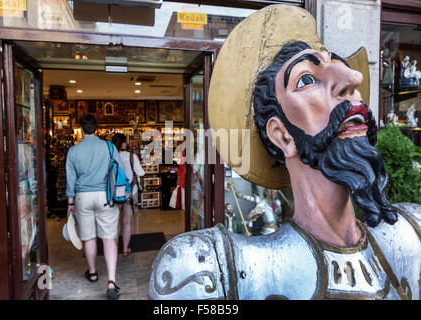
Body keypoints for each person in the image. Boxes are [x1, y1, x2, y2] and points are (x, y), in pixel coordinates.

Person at [148, 5, 420, 300]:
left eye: (340, 65)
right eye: (306, 79)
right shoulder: (211, 269)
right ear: (282, 135)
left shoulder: (411, 234)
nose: (353, 79)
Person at [66, 114, 122, 300]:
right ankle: (112, 281)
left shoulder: (74, 151)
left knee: (89, 238)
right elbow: (118, 170)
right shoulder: (108, 147)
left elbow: (71, 180)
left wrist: (70, 203)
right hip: (105, 195)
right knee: (109, 238)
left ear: (81, 129)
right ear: (97, 128)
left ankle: (92, 272)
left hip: (82, 197)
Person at [111, 133, 145, 257]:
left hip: (115, 194)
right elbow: (141, 172)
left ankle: (113, 250)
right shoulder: (132, 156)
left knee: (114, 224)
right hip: (129, 193)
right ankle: (125, 249)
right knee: (127, 222)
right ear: (123, 143)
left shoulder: (110, 156)